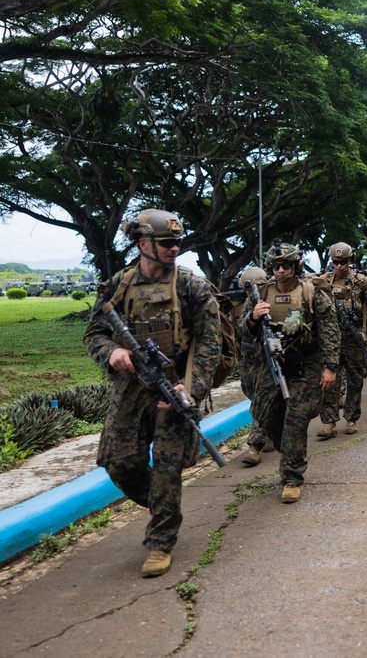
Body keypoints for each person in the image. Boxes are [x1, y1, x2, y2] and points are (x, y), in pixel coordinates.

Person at [85, 209, 222, 577]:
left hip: (176, 385)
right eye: (166, 243)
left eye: (178, 242)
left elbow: (210, 342)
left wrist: (189, 389)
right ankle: (166, 507)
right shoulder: (119, 284)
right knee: (119, 461)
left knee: (166, 467)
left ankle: (161, 540)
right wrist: (111, 353)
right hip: (131, 386)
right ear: (143, 243)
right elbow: (95, 332)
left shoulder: (192, 286)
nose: (174, 249)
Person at [239, 241, 341, 504]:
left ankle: (292, 477)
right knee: (263, 414)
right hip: (271, 362)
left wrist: (330, 368)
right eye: (275, 266)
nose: (280, 270)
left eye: (286, 265)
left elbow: (330, 331)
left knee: (295, 418)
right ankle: (290, 450)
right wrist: (252, 317)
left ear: (296, 266)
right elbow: (241, 330)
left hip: (305, 363)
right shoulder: (259, 293)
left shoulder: (312, 293)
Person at [316, 242, 367, 440]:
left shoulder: (361, 282)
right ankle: (329, 422)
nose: (340, 266)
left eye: (343, 262)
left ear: (350, 261)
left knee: (355, 379)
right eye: (336, 262)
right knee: (329, 382)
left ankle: (351, 418)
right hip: (330, 340)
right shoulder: (322, 281)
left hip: (353, 339)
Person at [235, 267, 277, 465]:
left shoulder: (273, 299)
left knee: (261, 399)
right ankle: (269, 433)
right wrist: (253, 317)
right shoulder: (244, 307)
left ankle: (254, 446)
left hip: (268, 357)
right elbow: (240, 331)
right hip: (249, 360)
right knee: (255, 396)